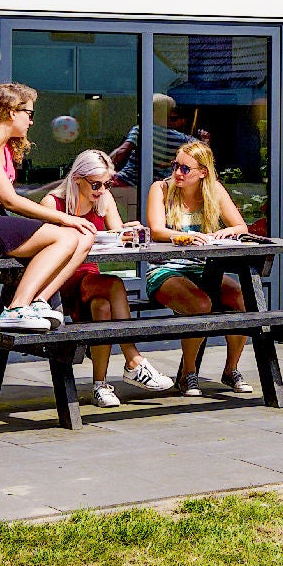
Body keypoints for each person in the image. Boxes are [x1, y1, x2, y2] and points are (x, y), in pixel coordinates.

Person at [0, 83, 98, 333]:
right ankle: (17, 307)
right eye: (29, 113)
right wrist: (64, 218)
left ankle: (38, 301)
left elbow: (12, 200)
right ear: (11, 112)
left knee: (83, 236)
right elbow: (10, 201)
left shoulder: (4, 148)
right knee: (65, 235)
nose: (31, 122)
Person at [40, 150, 175, 408]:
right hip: (59, 282)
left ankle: (100, 385)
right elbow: (45, 247)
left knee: (102, 306)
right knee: (114, 284)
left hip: (89, 277)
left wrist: (127, 232)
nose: (102, 190)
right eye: (96, 184)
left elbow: (115, 232)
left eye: (107, 184)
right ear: (77, 178)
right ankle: (133, 360)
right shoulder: (53, 203)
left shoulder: (103, 199)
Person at [145, 140, 255, 397]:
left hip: (203, 268)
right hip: (166, 268)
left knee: (242, 299)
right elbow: (157, 230)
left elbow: (241, 227)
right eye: (175, 166)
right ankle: (188, 373)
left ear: (202, 172)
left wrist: (225, 232)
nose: (177, 173)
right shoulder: (161, 189)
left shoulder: (214, 189)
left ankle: (231, 370)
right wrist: (181, 237)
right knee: (199, 305)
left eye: (185, 168)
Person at [110, 93, 203, 189]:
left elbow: (122, 152)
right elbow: (202, 148)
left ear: (153, 111)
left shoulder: (141, 130)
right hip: (154, 189)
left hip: (126, 182)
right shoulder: (181, 139)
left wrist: (105, 166)